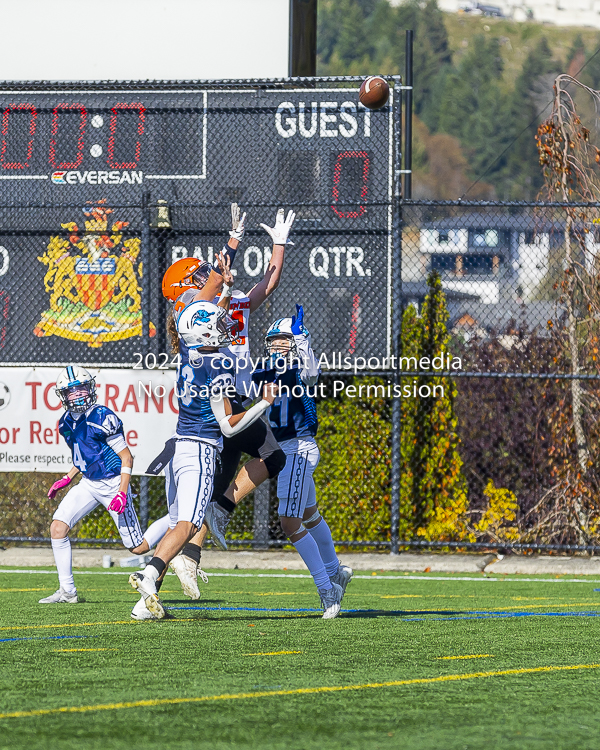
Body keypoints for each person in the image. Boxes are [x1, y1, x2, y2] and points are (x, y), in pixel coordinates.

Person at [153, 205, 291, 599]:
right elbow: (213, 292)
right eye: (197, 277)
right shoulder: (191, 313)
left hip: (230, 399)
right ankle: (208, 523)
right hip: (221, 403)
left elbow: (264, 285)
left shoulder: (221, 304)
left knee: (199, 507)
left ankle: (165, 576)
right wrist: (232, 243)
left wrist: (277, 246)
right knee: (269, 460)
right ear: (185, 290)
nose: (205, 277)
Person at [129, 300, 277, 619]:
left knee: (175, 526)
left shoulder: (187, 350)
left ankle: (144, 606)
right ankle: (149, 574)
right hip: (200, 449)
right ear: (205, 332)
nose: (225, 328)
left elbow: (188, 322)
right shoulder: (219, 363)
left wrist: (222, 279)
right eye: (218, 324)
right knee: (189, 524)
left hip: (179, 446)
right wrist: (263, 403)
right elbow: (227, 424)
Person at [253, 306, 353, 619]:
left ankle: (327, 589)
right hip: (286, 448)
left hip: (298, 447)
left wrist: (302, 340)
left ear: (297, 341)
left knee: (288, 523)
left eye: (284, 340)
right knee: (309, 515)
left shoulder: (300, 368)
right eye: (274, 340)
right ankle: (335, 572)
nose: (277, 345)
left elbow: (311, 371)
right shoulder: (266, 368)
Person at [40, 366, 169, 607]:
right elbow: (85, 457)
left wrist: (121, 492)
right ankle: (67, 591)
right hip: (89, 483)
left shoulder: (102, 417)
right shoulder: (66, 422)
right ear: (62, 395)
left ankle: (177, 519)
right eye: (71, 391)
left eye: (81, 389)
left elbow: (127, 458)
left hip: (112, 484)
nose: (77, 395)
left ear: (90, 389)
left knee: (138, 547)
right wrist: (68, 477)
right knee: (57, 528)